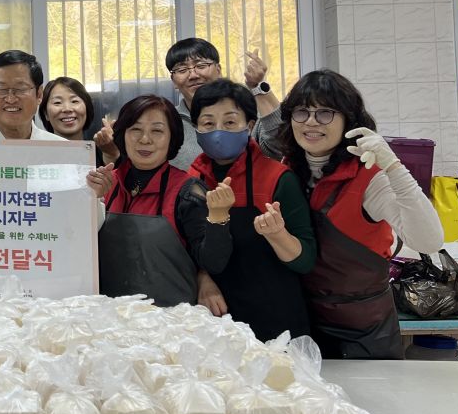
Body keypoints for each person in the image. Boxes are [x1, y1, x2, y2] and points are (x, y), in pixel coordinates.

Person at [280, 70, 444, 359]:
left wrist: (393, 165)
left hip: (366, 330)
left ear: (348, 119)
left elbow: (429, 241)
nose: (311, 122)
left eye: (325, 112)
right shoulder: (287, 169)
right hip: (304, 324)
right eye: (302, 111)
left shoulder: (368, 177)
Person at [181, 79, 315, 342]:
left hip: (276, 318)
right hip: (216, 320)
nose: (218, 131)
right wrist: (202, 277)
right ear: (196, 128)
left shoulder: (278, 178)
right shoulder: (190, 182)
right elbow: (186, 248)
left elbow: (306, 260)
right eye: (208, 123)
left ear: (250, 126)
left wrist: (278, 234)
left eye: (230, 122)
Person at [85, 95, 210, 307]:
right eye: (135, 129)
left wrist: (206, 278)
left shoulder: (188, 191)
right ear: (122, 134)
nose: (145, 139)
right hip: (107, 317)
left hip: (172, 319)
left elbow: (210, 259)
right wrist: (92, 200)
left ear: (173, 138)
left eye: (157, 131)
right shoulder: (102, 184)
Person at [164, 38, 283, 168]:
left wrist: (257, 87)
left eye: (201, 66)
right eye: (182, 70)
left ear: (218, 70)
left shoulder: (247, 111)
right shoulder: (169, 121)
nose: (193, 75)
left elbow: (279, 149)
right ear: (174, 81)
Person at [0, 50, 65, 141]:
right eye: (2, 89)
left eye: (21, 89)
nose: (11, 99)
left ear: (39, 94)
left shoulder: (61, 149)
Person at [40, 75, 119, 164]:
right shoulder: (35, 155)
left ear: (87, 108)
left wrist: (111, 154)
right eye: (57, 102)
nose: (67, 109)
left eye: (74, 101)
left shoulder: (104, 152)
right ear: (46, 113)